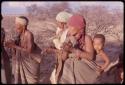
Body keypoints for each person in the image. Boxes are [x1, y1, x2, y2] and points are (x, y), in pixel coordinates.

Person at [58, 14, 102, 84]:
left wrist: (73, 50)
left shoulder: (87, 38)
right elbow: (63, 58)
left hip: (84, 73)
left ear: (82, 30)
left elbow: (90, 56)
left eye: (75, 34)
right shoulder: (69, 38)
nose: (73, 37)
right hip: (70, 70)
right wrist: (66, 50)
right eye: (71, 34)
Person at [5, 16, 41, 84]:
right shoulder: (20, 33)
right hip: (23, 60)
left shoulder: (29, 34)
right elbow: (18, 43)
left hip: (30, 63)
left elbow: (29, 50)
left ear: (23, 26)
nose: (15, 27)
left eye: (17, 25)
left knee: (31, 81)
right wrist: (11, 43)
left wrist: (14, 46)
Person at [46, 11, 72, 84]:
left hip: (66, 61)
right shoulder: (60, 30)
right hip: (60, 59)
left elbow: (64, 50)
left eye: (58, 22)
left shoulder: (69, 33)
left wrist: (52, 50)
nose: (56, 23)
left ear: (63, 23)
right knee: (55, 78)